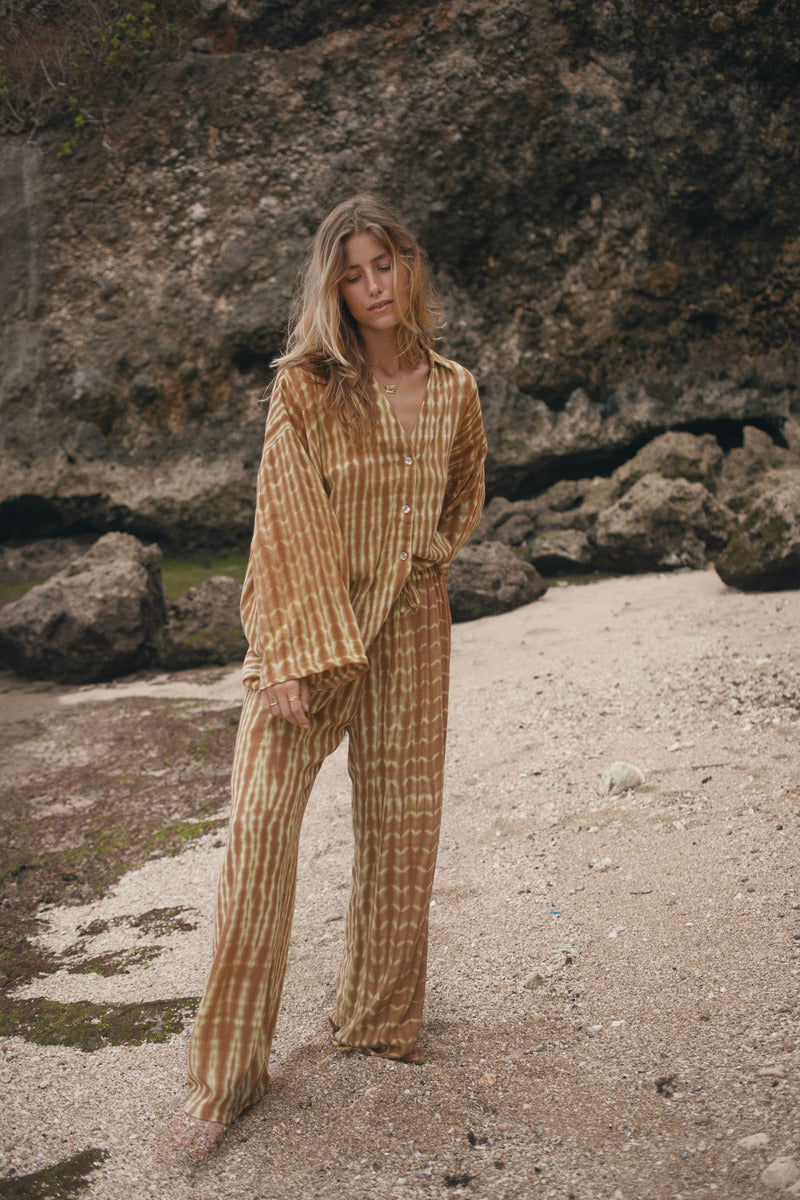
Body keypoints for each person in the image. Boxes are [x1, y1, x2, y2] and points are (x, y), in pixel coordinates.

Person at [170, 194, 487, 1159]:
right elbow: (282, 515)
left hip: (411, 631)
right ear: (332, 286)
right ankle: (224, 1079)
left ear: (410, 265)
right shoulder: (307, 386)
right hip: (309, 639)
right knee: (261, 836)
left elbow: (465, 492)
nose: (371, 287)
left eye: (383, 264)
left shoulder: (455, 388)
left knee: (401, 829)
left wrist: (424, 556)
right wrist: (289, 652)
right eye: (351, 273)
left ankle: (379, 1024)